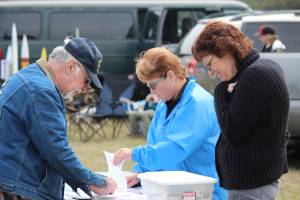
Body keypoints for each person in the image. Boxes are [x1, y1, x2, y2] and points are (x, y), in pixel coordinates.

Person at [0, 37, 117, 199]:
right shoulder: (41, 91)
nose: (84, 88)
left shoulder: (31, 77)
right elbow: (57, 152)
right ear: (70, 67)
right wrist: (96, 182)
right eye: (87, 80)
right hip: (19, 188)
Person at [192, 21, 290, 200]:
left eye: (209, 64)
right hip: (254, 181)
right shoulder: (263, 68)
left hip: (252, 184)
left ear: (224, 50)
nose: (211, 73)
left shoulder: (253, 77)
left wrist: (221, 89)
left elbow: (231, 131)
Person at [113, 47, 227, 200]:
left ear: (171, 75)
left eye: (153, 85)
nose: (151, 93)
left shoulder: (198, 103)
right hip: (175, 192)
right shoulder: (163, 104)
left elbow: (176, 149)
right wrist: (140, 172)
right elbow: (154, 144)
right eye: (148, 86)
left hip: (204, 193)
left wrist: (134, 154)